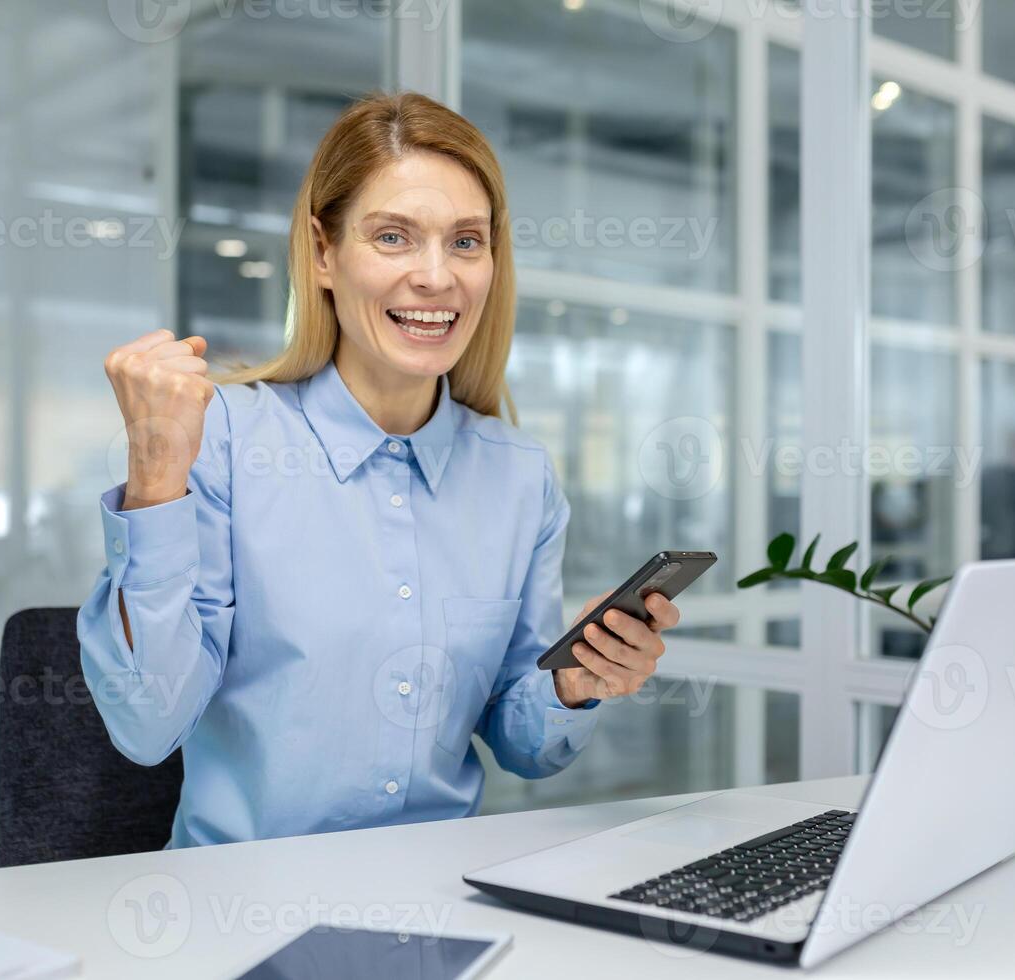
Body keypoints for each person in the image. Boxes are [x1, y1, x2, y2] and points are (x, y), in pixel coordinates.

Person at [77, 92, 684, 849]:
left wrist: (574, 682)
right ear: (324, 253)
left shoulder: (519, 476)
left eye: (466, 242)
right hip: (245, 911)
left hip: (441, 900)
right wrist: (156, 475)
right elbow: (146, 725)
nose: (436, 277)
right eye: (394, 236)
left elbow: (521, 741)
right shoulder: (223, 440)